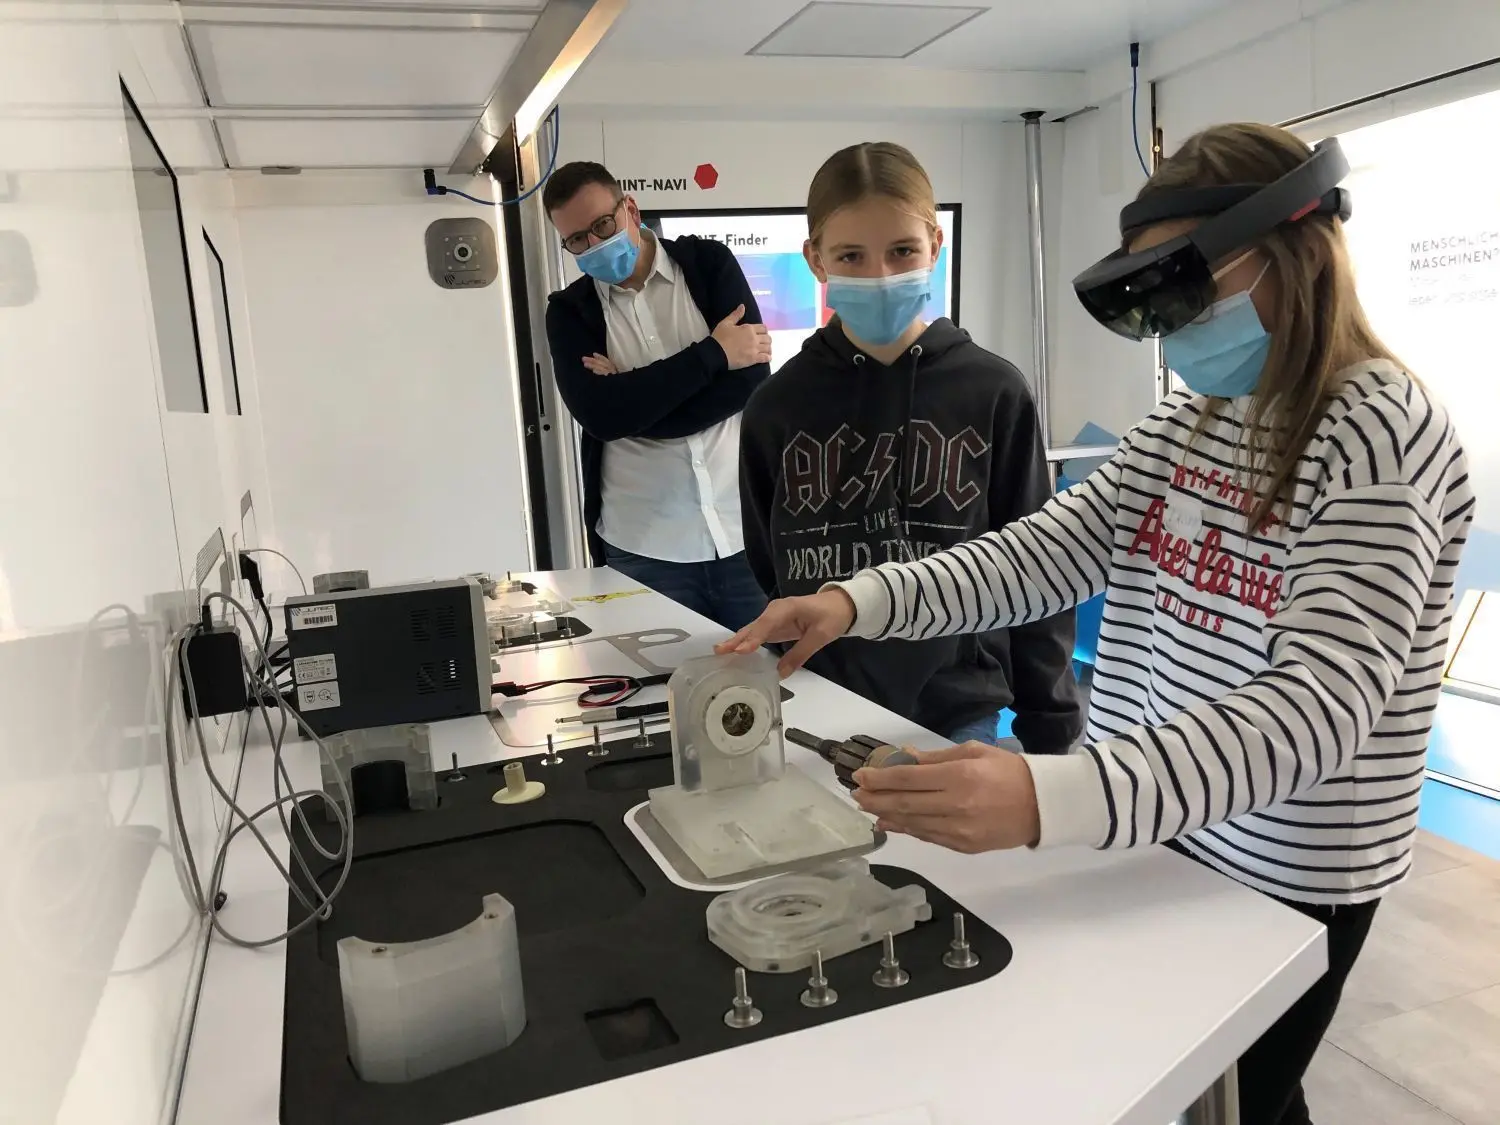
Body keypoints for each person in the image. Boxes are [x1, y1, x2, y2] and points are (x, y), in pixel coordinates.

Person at [719, 123, 1473, 1125]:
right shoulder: (1192, 422)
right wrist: (860, 600)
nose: (1173, 327)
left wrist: (1051, 796)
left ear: (1291, 250)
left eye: (1187, 287)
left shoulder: (1378, 431)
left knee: (1230, 1093)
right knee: (1219, 1089)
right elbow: (1038, 556)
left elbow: (1315, 713)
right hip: (1160, 826)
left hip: (1285, 862)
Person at [738, 141, 1082, 751]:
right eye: (851, 255)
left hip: (957, 704)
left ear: (935, 245)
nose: (880, 277)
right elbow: (770, 565)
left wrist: (1050, 731)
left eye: (902, 251)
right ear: (816, 259)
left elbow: (1037, 571)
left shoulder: (993, 392)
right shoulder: (776, 407)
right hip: (818, 700)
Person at [543, 161, 772, 632]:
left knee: (771, 672)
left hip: (744, 532)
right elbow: (602, 417)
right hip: (644, 547)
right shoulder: (569, 313)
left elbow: (751, 380)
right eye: (577, 239)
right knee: (659, 679)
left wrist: (634, 395)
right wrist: (714, 353)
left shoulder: (708, 265)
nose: (594, 243)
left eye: (602, 225)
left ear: (630, 208)